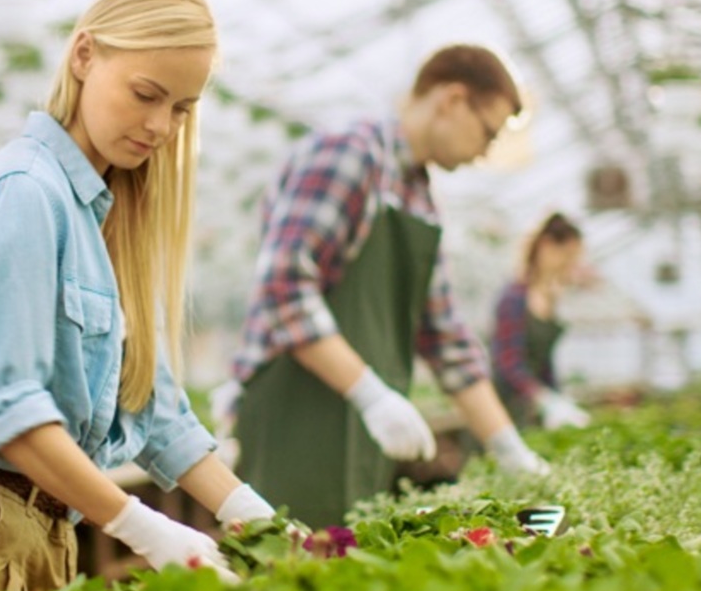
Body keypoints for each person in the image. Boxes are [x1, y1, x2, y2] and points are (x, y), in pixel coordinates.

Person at [0, 0, 277, 591]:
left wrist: (256, 520)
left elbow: (156, 409)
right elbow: (8, 407)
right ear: (84, 56)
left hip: (43, 524)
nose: (161, 126)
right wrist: (141, 524)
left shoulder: (105, 220)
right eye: (146, 94)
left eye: (181, 110)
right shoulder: (26, 194)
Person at [224, 44, 549, 528]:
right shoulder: (350, 155)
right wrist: (370, 394)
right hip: (298, 417)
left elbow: (445, 337)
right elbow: (284, 288)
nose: (484, 152)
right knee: (284, 574)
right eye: (488, 132)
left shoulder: (418, 195)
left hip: (359, 424)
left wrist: (508, 447)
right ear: (452, 100)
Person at [491, 212, 592, 430]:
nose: (570, 263)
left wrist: (557, 397)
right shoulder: (514, 298)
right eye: (566, 255)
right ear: (546, 246)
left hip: (532, 408)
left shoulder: (551, 298)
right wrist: (542, 398)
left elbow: (545, 363)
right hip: (504, 407)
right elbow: (508, 363)